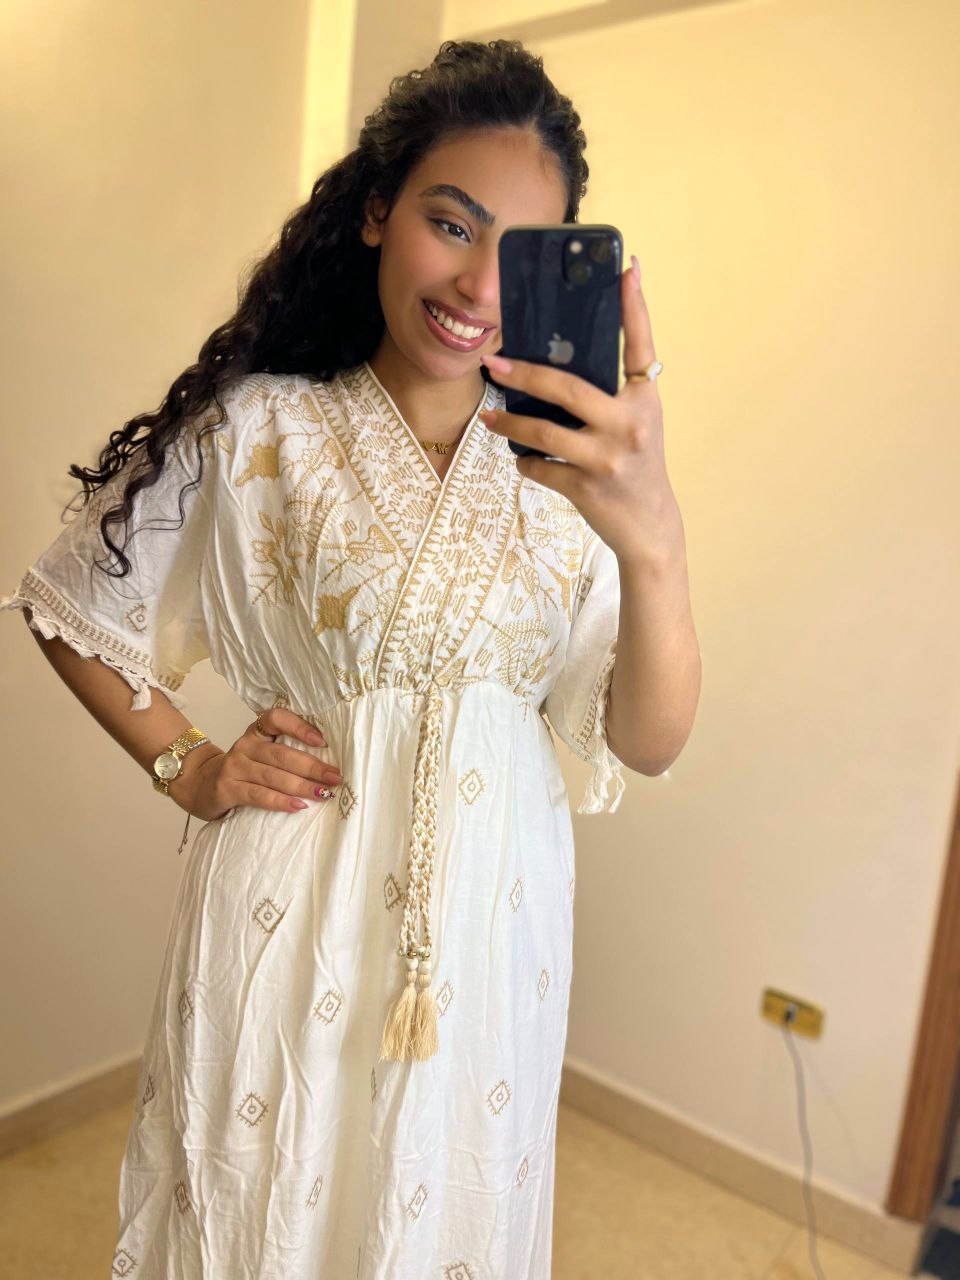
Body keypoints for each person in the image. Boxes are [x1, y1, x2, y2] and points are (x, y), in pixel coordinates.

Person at [2, 37, 695, 1280]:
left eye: (519, 253)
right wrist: (188, 765)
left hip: (492, 931)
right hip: (291, 912)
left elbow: (645, 738)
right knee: (264, 1209)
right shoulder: (261, 428)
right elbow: (67, 602)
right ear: (378, 210)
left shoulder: (578, 472)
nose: (476, 283)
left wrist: (655, 541)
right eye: (450, 222)